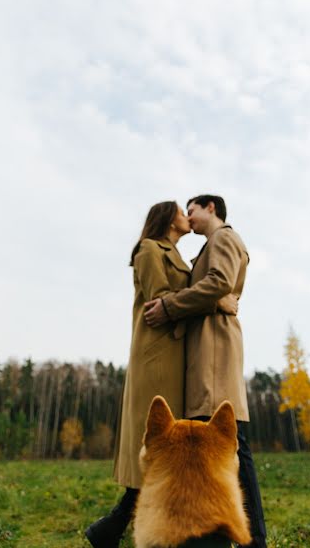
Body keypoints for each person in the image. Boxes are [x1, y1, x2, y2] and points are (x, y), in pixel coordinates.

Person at [85, 200, 237, 548]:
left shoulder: (173, 253)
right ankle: (119, 526)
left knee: (163, 444)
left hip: (172, 354)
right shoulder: (150, 249)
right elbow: (160, 301)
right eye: (182, 212)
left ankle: (111, 528)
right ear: (169, 220)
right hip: (156, 357)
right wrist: (217, 302)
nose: (187, 217)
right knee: (155, 441)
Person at [145, 194, 267, 548]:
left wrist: (169, 306)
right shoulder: (211, 245)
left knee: (233, 447)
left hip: (215, 355)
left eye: (192, 209)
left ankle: (252, 540)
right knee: (221, 449)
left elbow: (217, 283)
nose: (189, 217)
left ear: (210, 208)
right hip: (206, 352)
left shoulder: (224, 238)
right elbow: (214, 291)